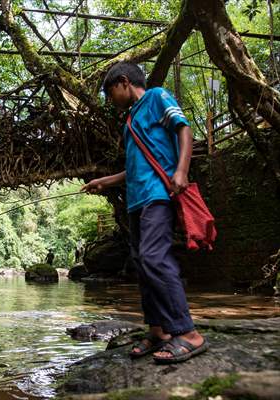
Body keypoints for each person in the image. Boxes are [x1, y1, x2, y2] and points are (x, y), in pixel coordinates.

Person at [82, 62, 208, 364]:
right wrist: (105, 181)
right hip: (136, 202)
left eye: (109, 92)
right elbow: (134, 167)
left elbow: (184, 128)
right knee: (141, 262)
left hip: (157, 197)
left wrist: (182, 170)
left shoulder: (157, 97)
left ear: (124, 82)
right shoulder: (129, 122)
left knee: (154, 257)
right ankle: (159, 330)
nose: (109, 100)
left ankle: (187, 333)